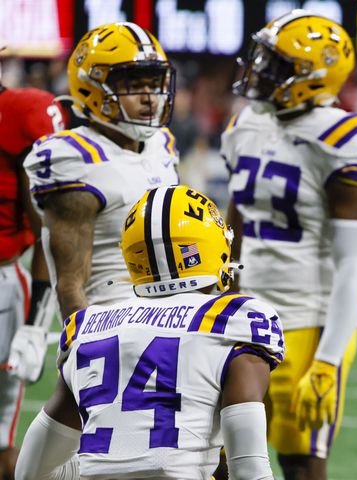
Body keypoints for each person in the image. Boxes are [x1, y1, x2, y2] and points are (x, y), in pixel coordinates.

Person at [15, 185, 284, 480]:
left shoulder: (87, 328)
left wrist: (105, 468)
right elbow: (250, 471)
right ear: (211, 249)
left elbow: (31, 471)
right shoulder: (233, 322)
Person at [222, 10, 357, 480]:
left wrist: (328, 359)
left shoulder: (343, 139)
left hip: (306, 321)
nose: (258, 70)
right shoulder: (246, 125)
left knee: (300, 464)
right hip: (241, 312)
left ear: (312, 77)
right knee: (219, 455)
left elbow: (355, 264)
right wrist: (219, 296)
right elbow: (236, 218)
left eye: (275, 65)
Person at [23, 22, 180, 321]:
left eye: (154, 83)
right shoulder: (76, 159)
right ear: (92, 87)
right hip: (111, 328)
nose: (149, 97)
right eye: (134, 85)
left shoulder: (163, 145)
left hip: (169, 319)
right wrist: (85, 348)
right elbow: (70, 285)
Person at [0, 63, 67, 478]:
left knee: (2, 438)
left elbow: (48, 228)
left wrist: (36, 323)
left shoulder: (21, 112)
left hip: (4, 280)